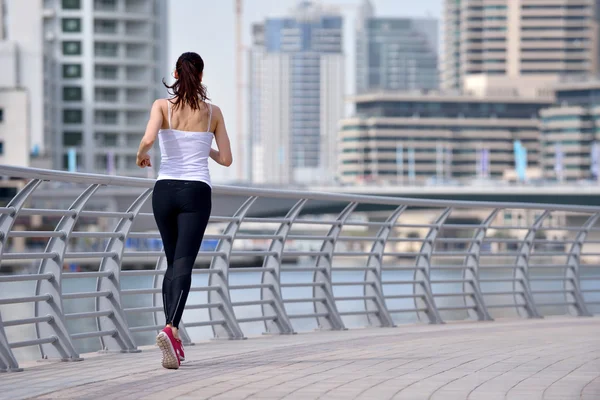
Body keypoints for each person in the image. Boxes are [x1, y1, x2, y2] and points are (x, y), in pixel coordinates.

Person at [136, 52, 233, 369]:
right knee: (185, 264)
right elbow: (227, 159)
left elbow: (149, 139)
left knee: (171, 262)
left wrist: (141, 155)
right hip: (196, 191)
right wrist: (204, 146)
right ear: (201, 77)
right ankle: (172, 329)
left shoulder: (161, 106)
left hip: (164, 191)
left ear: (175, 73)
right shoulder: (212, 113)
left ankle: (171, 338)